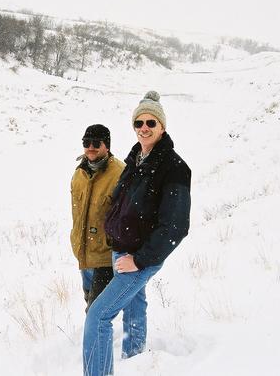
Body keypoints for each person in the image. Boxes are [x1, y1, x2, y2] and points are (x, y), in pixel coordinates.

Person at [83, 91, 191, 376]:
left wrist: (140, 260)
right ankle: (134, 358)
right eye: (139, 123)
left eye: (151, 123)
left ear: (162, 127)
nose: (144, 128)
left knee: (98, 316)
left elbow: (176, 227)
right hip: (122, 248)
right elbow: (122, 201)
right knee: (134, 302)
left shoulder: (175, 167)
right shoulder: (136, 158)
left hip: (139, 257)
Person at [71, 124, 126, 308]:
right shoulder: (79, 173)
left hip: (105, 256)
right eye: (87, 142)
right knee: (89, 301)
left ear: (107, 146)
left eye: (96, 142)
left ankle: (97, 337)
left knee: (97, 311)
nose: (90, 147)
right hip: (83, 253)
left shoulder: (120, 173)